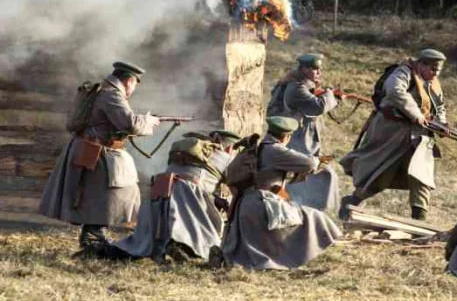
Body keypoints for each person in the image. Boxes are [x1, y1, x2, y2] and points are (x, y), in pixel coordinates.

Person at [38, 61, 160, 248]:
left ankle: (93, 235)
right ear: (129, 81)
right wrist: (148, 121)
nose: (133, 89)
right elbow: (129, 123)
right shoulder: (111, 94)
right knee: (108, 194)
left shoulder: (104, 91)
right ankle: (94, 236)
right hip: (95, 151)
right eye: (135, 84)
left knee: (97, 195)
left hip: (92, 149)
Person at [339, 48, 448, 221]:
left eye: (438, 70)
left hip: (419, 137)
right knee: (381, 173)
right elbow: (395, 90)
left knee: (422, 177)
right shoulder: (403, 72)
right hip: (392, 133)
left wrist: (442, 124)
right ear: (421, 64)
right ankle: (352, 201)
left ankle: (419, 220)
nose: (435, 74)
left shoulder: (432, 82)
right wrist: (416, 114)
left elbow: (439, 105)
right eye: (432, 69)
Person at [220, 116, 343, 270]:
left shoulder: (256, 148)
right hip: (263, 205)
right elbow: (309, 164)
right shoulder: (275, 149)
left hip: (246, 205)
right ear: (286, 136)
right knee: (314, 217)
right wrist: (317, 161)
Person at [107, 130, 241, 262]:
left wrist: (215, 199)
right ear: (229, 147)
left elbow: (190, 177)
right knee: (208, 239)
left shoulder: (187, 151)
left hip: (159, 193)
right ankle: (180, 246)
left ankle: (115, 249)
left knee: (141, 243)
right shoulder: (226, 158)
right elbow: (237, 190)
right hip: (187, 196)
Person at [266, 53, 342, 213]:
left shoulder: (300, 84)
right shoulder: (296, 88)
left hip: (300, 135)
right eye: (315, 69)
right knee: (315, 171)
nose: (319, 73)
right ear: (305, 69)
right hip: (295, 136)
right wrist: (329, 94)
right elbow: (317, 107)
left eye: (319, 69)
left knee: (314, 172)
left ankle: (307, 207)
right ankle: (305, 207)